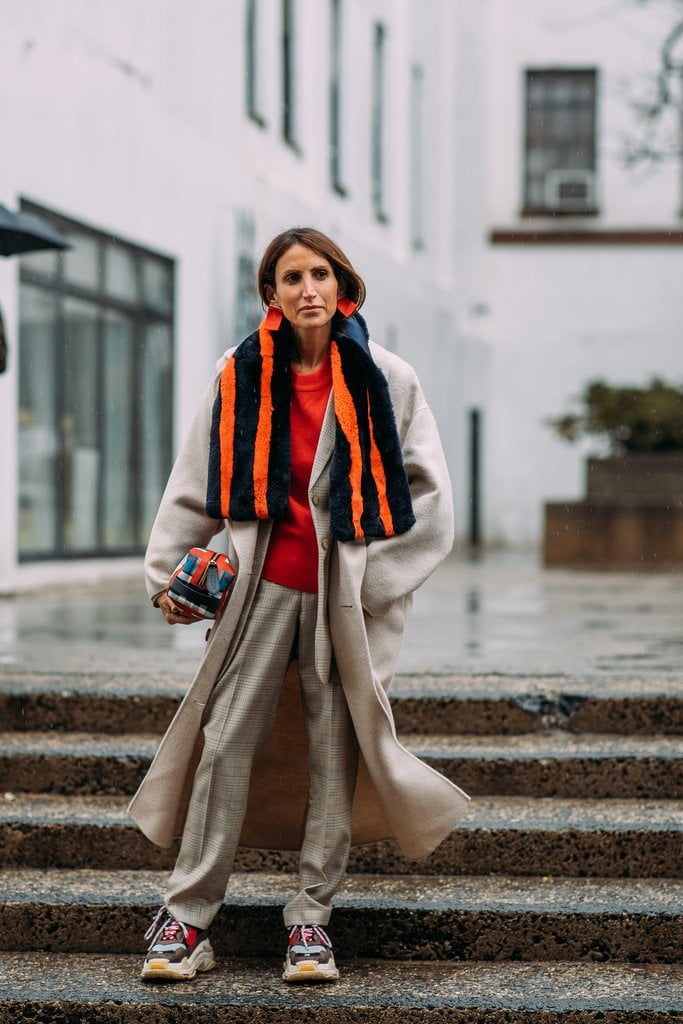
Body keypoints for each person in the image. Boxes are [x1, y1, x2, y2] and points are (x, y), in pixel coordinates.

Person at [129, 227, 469, 984]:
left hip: (345, 595)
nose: (307, 288)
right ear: (271, 293)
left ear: (342, 286)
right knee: (223, 743)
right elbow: (196, 476)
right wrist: (168, 573)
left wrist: (370, 585)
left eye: (320, 274)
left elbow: (433, 503)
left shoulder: (387, 375)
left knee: (331, 751)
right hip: (258, 588)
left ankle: (310, 922)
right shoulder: (240, 370)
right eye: (291, 277)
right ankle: (186, 919)